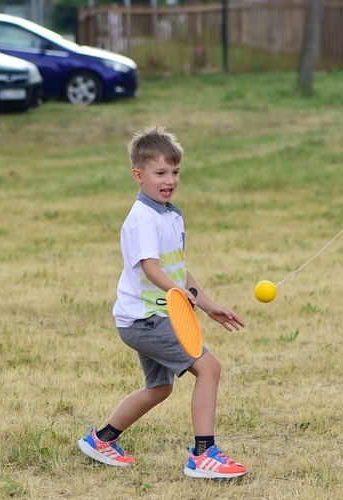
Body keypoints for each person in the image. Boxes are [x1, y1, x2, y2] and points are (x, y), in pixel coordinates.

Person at [78, 125, 248, 479]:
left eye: (175, 172)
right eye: (160, 173)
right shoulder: (142, 218)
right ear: (138, 176)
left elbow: (178, 269)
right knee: (209, 368)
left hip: (147, 316)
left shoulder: (170, 214)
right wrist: (177, 293)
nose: (169, 179)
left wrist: (207, 303)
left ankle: (102, 440)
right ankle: (203, 456)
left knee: (159, 388)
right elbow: (152, 268)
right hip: (146, 319)